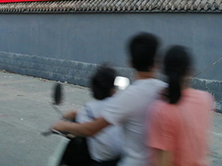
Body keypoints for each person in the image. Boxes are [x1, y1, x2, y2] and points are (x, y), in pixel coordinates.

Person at [52, 32, 165, 166]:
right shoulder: (166, 91)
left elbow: (90, 129)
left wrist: (63, 125)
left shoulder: (128, 97)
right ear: (157, 62)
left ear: (130, 63)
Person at [147, 45, 214, 166]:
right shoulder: (206, 99)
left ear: (164, 71)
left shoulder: (162, 110)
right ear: (190, 71)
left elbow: (163, 162)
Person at [62, 65, 124, 165]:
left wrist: (61, 125)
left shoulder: (89, 110)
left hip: (101, 162)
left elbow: (84, 129)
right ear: (113, 89)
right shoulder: (121, 103)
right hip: (122, 158)